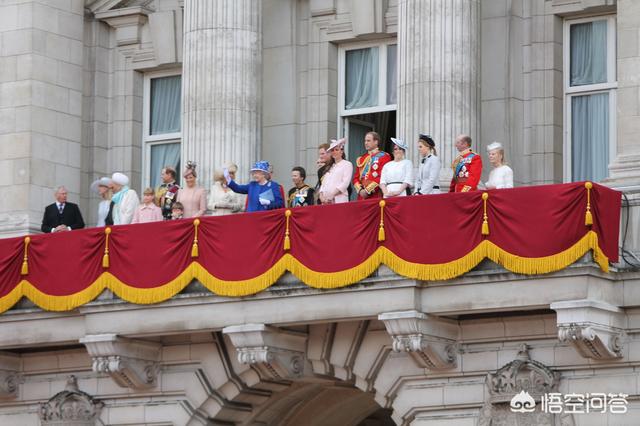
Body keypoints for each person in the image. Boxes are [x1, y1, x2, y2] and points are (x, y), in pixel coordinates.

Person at [353, 131, 392, 200]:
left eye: (368, 141)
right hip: (361, 196)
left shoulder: (384, 156)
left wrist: (368, 190)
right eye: (365, 141)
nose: (366, 143)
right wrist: (360, 190)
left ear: (376, 142)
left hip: (376, 195)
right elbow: (356, 178)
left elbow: (382, 177)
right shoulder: (362, 158)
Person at [319, 139, 353, 204]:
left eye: (336, 150)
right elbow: (323, 184)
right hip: (325, 202)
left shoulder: (347, 164)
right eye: (332, 150)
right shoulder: (330, 166)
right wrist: (321, 196)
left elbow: (345, 183)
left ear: (341, 151)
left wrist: (331, 195)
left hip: (339, 200)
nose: (334, 152)